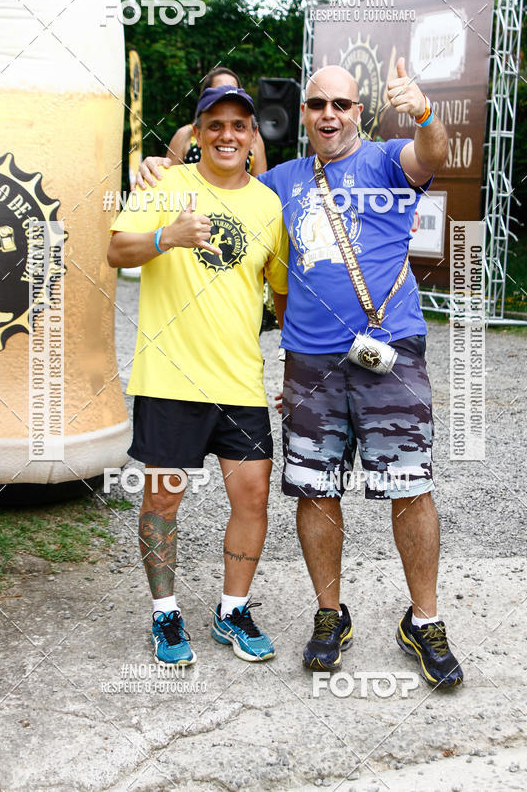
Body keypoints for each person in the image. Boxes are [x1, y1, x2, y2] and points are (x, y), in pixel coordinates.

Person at [135, 59, 463, 689]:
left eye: (340, 103)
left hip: (390, 353)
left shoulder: (390, 162)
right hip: (311, 365)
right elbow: (217, 157)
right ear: (304, 115)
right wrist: (163, 161)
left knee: (411, 487)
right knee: (316, 491)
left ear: (359, 111)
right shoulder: (280, 181)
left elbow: (435, 150)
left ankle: (424, 620)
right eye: (316, 105)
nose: (328, 114)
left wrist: (422, 110)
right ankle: (327, 614)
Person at [108, 84, 288, 667]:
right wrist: (168, 236)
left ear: (253, 137)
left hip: (240, 382)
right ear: (198, 134)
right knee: (163, 501)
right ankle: (165, 615)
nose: (228, 135)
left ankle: (232, 610)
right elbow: (116, 252)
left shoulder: (268, 205)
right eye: (216, 125)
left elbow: (281, 295)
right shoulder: (165, 185)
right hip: (169, 379)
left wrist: (303, 369)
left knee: (253, 498)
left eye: (240, 124)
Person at [166, 67, 267, 176]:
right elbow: (168, 181)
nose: (227, 137)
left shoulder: (255, 138)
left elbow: (261, 182)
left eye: (238, 126)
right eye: (215, 126)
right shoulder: (184, 134)